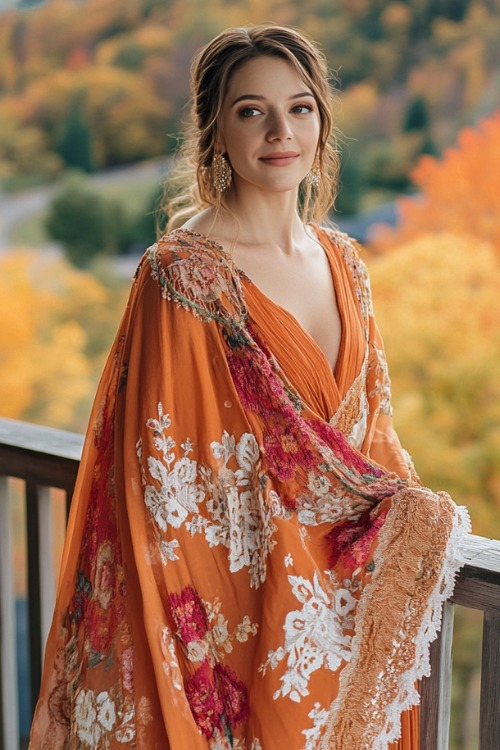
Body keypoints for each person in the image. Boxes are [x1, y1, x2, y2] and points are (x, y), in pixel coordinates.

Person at [29, 24, 470, 750]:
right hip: (241, 627)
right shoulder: (181, 276)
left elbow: (370, 442)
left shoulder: (345, 262)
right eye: (250, 111)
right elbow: (166, 490)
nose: (279, 131)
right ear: (215, 130)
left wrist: (409, 524)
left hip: (349, 615)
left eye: (299, 108)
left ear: (323, 122)